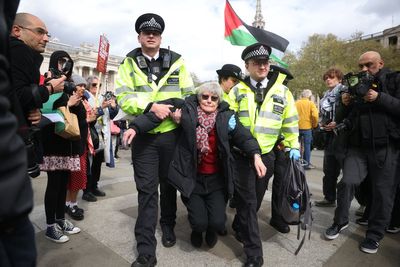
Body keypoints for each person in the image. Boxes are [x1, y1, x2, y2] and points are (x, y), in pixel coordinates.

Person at [124, 82, 266, 252]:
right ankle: (198, 230)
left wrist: (255, 154)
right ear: (199, 98)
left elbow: (244, 136)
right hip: (193, 178)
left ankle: (211, 229)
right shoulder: (186, 110)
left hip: (216, 181)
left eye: (214, 98)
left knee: (218, 222)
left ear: (219, 101)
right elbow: (159, 112)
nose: (208, 101)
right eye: (205, 97)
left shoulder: (227, 117)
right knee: (199, 222)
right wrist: (135, 127)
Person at [115, 13, 194, 267]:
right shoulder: (128, 64)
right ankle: (146, 250)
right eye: (146, 32)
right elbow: (123, 98)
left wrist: (183, 113)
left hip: (172, 135)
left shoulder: (178, 62)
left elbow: (189, 94)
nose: (151, 36)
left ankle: (168, 226)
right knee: (147, 192)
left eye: (156, 33)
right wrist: (151, 105)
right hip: (145, 138)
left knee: (169, 185)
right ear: (139, 36)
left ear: (161, 37)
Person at [227, 43, 300, 267]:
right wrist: (228, 120)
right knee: (248, 201)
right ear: (247, 66)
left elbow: (290, 121)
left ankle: (240, 224)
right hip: (242, 154)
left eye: (265, 62)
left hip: (267, 154)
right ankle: (254, 253)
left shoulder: (282, 91)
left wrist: (293, 145)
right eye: (256, 63)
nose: (262, 66)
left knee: (256, 197)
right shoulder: (237, 90)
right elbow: (227, 114)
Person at [324, 51, 400, 254]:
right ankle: (339, 222)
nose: (364, 69)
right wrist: (345, 103)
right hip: (358, 148)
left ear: (381, 64)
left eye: (369, 65)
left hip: (386, 148)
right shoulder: (354, 84)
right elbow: (346, 116)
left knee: (383, 193)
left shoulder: (394, 80)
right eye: (361, 66)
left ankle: (374, 235)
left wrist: (379, 97)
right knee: (347, 182)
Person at [0, 1, 36, 265]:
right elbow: (17, 93)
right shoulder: (20, 52)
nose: (46, 38)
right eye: (40, 32)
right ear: (17, 30)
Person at [39, 51, 81, 243]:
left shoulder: (68, 83)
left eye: (68, 62)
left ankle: (60, 219)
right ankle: (50, 226)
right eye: (62, 61)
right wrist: (69, 103)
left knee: (63, 183)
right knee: (54, 184)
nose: (65, 65)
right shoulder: (49, 81)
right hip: (52, 139)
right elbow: (46, 107)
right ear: (54, 62)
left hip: (67, 140)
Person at [315, 68, 347, 207]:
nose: (328, 80)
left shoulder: (345, 92)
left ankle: (360, 202)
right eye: (326, 78)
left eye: (332, 77)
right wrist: (323, 124)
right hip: (329, 137)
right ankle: (329, 198)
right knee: (329, 170)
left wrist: (338, 123)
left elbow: (351, 113)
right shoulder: (325, 96)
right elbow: (323, 114)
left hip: (344, 137)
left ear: (339, 79)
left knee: (348, 172)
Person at [83, 76, 108, 201]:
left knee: (97, 163)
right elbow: (90, 115)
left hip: (100, 133)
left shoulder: (101, 97)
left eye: (99, 85)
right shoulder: (86, 97)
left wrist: (112, 107)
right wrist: (101, 108)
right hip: (89, 133)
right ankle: (86, 190)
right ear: (88, 86)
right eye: (94, 85)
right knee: (89, 163)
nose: (97, 87)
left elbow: (110, 116)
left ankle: (94, 186)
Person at [295, 89, 318, 170]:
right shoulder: (311, 103)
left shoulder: (296, 103)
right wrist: (314, 125)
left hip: (296, 127)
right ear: (309, 96)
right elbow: (315, 115)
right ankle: (306, 164)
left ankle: (295, 163)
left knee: (295, 146)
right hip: (307, 127)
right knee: (307, 147)